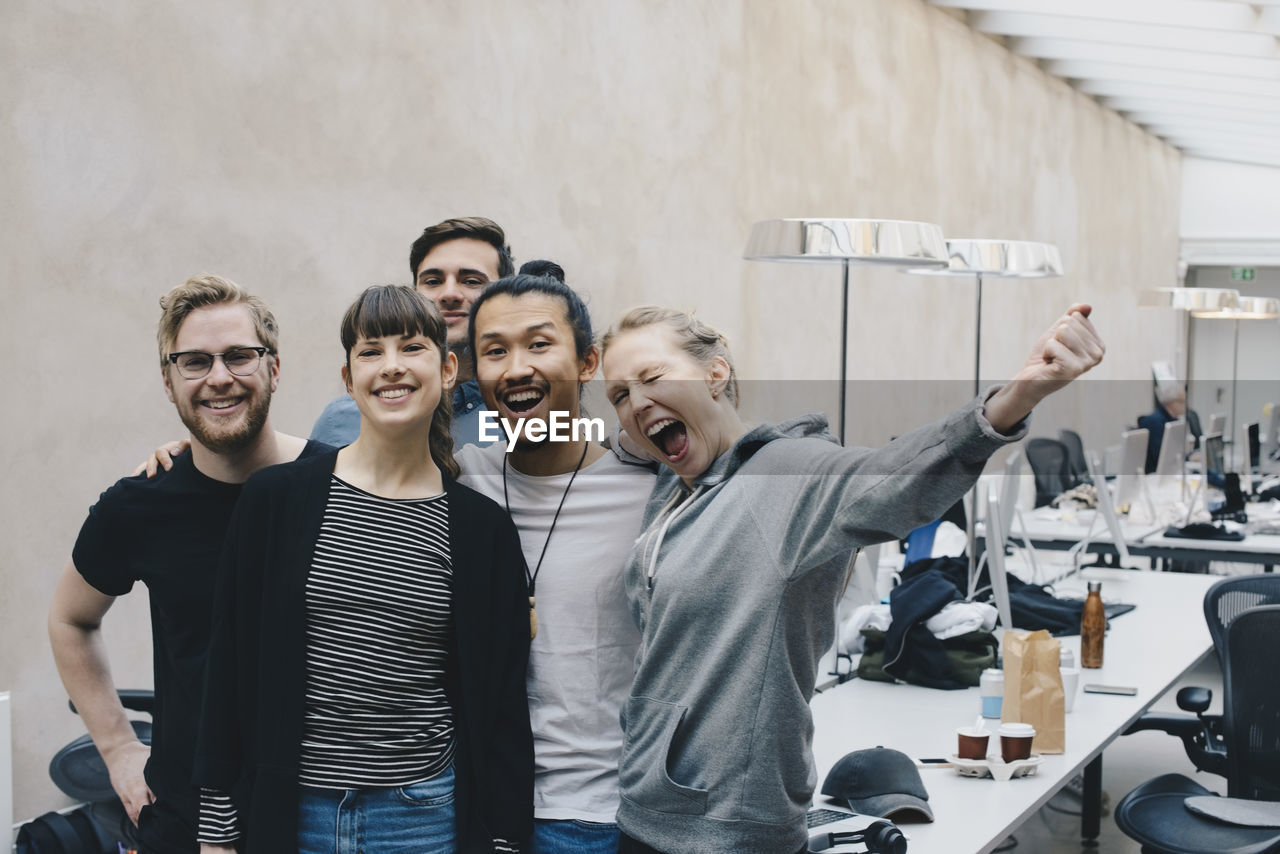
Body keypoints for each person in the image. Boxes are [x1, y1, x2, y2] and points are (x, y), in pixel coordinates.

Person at [599, 304, 1106, 854]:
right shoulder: (675, 491)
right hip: (646, 810)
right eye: (620, 395)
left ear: (716, 374)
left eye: (653, 377)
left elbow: (894, 480)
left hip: (726, 829)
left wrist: (1016, 397)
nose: (637, 402)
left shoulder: (786, 477)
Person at [192, 286, 533, 853]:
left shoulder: (481, 527)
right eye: (371, 351)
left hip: (423, 816)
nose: (391, 367)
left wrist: (501, 841)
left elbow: (499, 701)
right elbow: (228, 664)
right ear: (348, 380)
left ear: (447, 369)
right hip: (292, 811)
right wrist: (217, 832)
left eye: (412, 348)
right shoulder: (277, 500)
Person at [47, 275, 322, 853]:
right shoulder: (139, 504)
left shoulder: (337, 483)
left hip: (324, 817)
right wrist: (120, 749)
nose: (219, 377)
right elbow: (70, 619)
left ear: (274, 368)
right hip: (186, 820)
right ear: (169, 383)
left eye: (239, 357)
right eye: (194, 362)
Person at [460, 261, 655, 853]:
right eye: (495, 351)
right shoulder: (463, 476)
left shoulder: (651, 488)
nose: (517, 368)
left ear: (587, 362)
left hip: (602, 813)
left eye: (539, 345)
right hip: (485, 808)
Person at [310, 216, 514, 448]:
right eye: (433, 281)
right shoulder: (340, 421)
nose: (449, 294)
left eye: (471, 281)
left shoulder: (529, 419)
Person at [1138, 383, 1202, 473]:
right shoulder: (1155, 422)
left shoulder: (1173, 421)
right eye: (1182, 401)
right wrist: (1189, 458)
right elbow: (1163, 457)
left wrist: (1189, 456)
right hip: (1154, 475)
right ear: (1172, 403)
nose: (1185, 405)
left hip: (1170, 471)